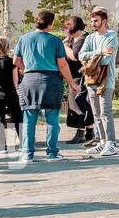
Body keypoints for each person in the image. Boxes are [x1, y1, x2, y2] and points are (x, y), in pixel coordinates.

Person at [13, 10, 78, 163]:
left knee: (29, 119)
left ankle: (27, 154)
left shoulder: (23, 39)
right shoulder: (55, 41)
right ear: (50, 23)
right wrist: (72, 83)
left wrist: (25, 70)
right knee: (52, 119)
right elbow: (62, 65)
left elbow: (16, 61)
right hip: (50, 80)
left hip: (29, 80)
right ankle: (52, 153)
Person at [80, 7, 119, 157]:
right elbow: (81, 55)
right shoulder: (90, 38)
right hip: (91, 79)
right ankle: (102, 141)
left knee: (105, 111)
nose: (93, 24)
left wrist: (94, 57)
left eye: (96, 21)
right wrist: (99, 52)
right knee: (96, 112)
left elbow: (106, 60)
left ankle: (111, 143)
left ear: (104, 21)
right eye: (92, 21)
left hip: (106, 80)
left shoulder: (111, 36)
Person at [61, 16, 95, 146]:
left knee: (78, 102)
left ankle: (81, 132)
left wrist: (64, 45)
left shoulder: (83, 38)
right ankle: (89, 131)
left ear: (73, 27)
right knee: (83, 102)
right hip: (74, 74)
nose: (66, 30)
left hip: (80, 75)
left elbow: (75, 57)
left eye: (67, 27)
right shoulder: (74, 38)